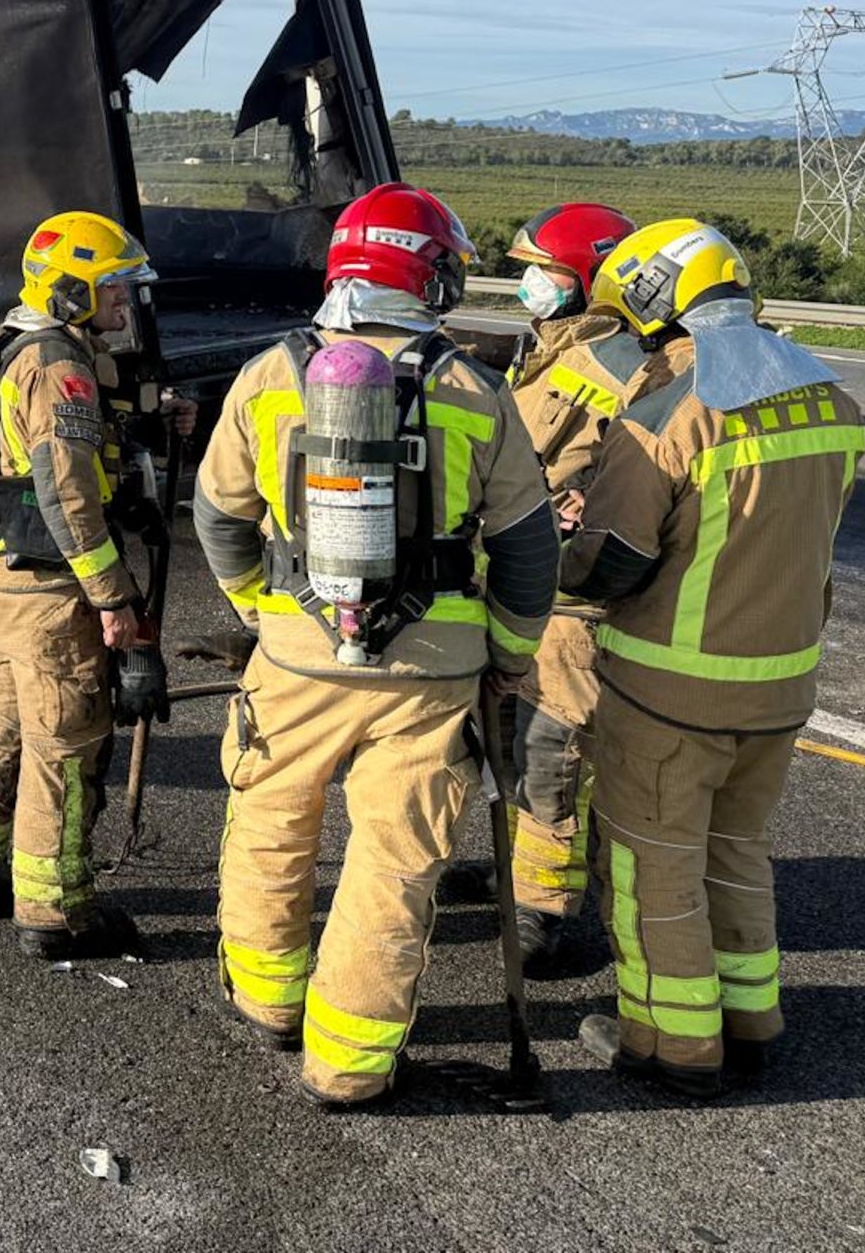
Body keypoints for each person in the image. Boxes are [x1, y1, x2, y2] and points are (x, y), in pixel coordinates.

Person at [192, 183, 558, 1108]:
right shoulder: (476, 388)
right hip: (433, 677)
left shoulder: (269, 375)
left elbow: (220, 517)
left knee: (272, 823)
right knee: (395, 863)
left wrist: (258, 612)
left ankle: (270, 1003)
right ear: (423, 274)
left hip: (296, 659)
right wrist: (511, 656)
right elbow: (525, 548)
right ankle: (350, 1064)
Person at [561, 220, 864, 1100]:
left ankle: (673, 1045)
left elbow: (615, 562)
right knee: (736, 849)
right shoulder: (832, 398)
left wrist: (562, 550)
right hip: (782, 684)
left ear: (656, 300)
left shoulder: (669, 410)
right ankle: (751, 1019)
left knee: (650, 863)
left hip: (670, 689)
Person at [0, 210, 171, 961]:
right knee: (66, 745)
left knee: (2, 717)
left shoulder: (31, 348)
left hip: (10, 577)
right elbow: (68, 491)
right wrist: (112, 598)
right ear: (73, 292)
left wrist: (150, 429)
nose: (126, 304)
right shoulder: (58, 365)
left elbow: (77, 455)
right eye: (115, 290)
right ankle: (57, 909)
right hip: (54, 591)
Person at [499, 202, 651, 971]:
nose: (529, 283)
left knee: (553, 747)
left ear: (588, 281)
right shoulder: (548, 352)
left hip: (572, 600)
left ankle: (542, 910)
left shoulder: (616, 364)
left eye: (545, 271)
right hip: (524, 579)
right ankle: (513, 869)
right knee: (510, 737)